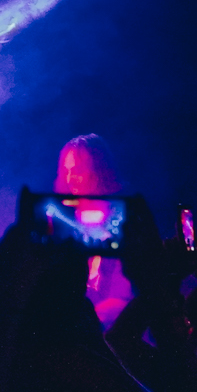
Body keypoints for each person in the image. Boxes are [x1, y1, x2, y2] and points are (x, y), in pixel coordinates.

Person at [57, 133, 136, 330]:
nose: (70, 179)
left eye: (77, 170)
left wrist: (89, 321)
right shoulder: (66, 222)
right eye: (66, 171)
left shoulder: (122, 219)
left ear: (98, 169)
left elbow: (125, 298)